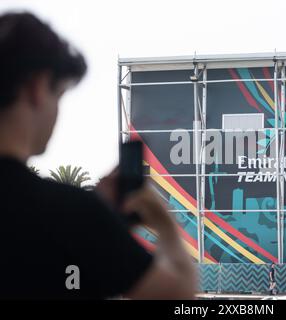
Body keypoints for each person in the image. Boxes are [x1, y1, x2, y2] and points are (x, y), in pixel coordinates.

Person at [0, 11, 196, 299]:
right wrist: (163, 223)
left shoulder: (75, 216)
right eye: (59, 95)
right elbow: (178, 296)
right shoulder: (71, 215)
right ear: (37, 87)